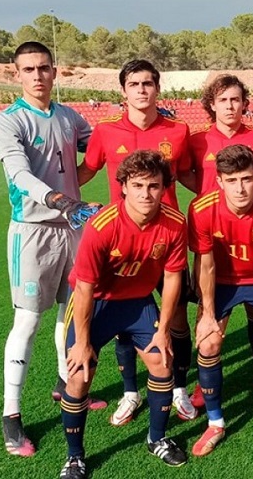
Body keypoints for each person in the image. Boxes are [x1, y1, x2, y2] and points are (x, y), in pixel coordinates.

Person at [0, 41, 102, 457]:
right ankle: (11, 415)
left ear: (55, 72)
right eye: (28, 69)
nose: (37, 76)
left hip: (71, 231)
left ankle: (65, 384)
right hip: (33, 232)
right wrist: (61, 201)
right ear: (16, 74)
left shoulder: (70, 116)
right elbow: (18, 174)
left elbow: (102, 145)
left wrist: (140, 123)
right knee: (27, 322)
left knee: (71, 316)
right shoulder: (8, 121)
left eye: (43, 68)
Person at [77, 59, 197, 426]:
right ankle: (131, 392)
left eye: (148, 83)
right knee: (126, 317)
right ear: (123, 90)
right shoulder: (106, 131)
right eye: (134, 84)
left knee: (176, 316)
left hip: (166, 240)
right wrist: (54, 198)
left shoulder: (178, 130)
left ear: (157, 89)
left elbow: (190, 174)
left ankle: (177, 386)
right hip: (121, 243)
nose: (142, 90)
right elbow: (85, 172)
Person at [60, 150, 189, 479]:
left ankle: (156, 438)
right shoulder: (101, 226)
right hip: (97, 302)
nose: (146, 194)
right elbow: (85, 287)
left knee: (162, 359)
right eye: (138, 185)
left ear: (164, 187)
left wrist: (164, 330)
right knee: (79, 375)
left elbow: (173, 277)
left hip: (138, 302)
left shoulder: (174, 223)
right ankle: (75, 457)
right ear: (124, 187)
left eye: (154, 186)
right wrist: (83, 342)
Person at [188, 145, 253, 456]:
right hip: (222, 281)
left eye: (247, 179)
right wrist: (207, 313)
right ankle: (216, 423)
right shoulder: (201, 207)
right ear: (219, 181)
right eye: (232, 180)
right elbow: (205, 264)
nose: (240, 188)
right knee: (207, 342)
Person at [181, 75, 253, 406]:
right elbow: (186, 174)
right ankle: (202, 382)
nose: (230, 106)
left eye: (235, 99)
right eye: (223, 100)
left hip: (251, 232)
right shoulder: (197, 141)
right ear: (212, 105)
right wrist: (210, 198)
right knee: (206, 307)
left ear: (244, 103)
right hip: (209, 232)